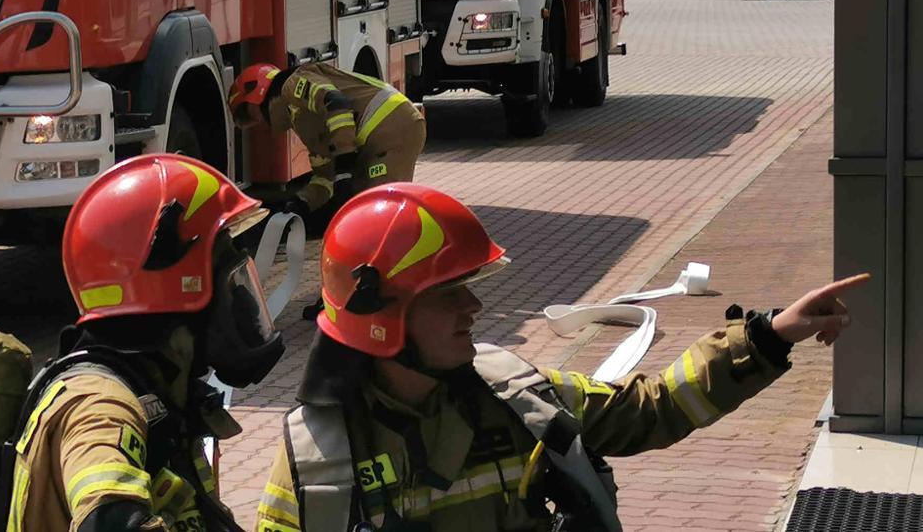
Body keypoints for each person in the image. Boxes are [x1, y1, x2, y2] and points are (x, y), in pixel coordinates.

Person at [254, 183, 867, 532]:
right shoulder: (319, 466)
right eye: (446, 294)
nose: (473, 307)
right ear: (382, 320)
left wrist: (770, 337)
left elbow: (650, 411)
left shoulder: (516, 396)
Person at [10, 153, 289, 532]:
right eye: (228, 281)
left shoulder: (160, 390)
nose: (241, 302)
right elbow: (105, 519)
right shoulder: (99, 405)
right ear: (175, 291)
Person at [228, 62, 425, 220]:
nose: (256, 123)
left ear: (256, 92)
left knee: (380, 211)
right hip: (383, 136)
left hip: (390, 128)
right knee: (363, 209)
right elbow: (324, 178)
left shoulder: (293, 84)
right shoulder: (299, 119)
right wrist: (299, 203)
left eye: (248, 114)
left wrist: (344, 164)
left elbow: (335, 103)